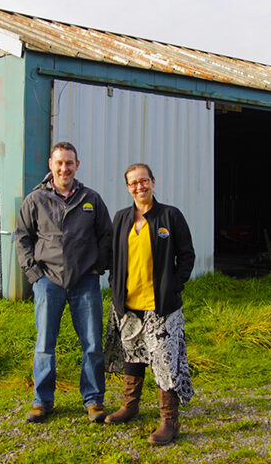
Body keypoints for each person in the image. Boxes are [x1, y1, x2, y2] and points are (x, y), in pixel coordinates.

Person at [16, 142, 112, 424]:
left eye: (69, 163)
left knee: (92, 343)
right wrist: (34, 275)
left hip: (85, 281)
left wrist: (99, 267)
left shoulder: (90, 198)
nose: (64, 168)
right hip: (49, 281)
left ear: (77, 165)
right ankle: (42, 401)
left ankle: (93, 400)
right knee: (45, 343)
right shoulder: (35, 200)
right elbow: (22, 238)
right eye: (59, 163)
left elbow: (106, 234)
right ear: (50, 164)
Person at [104, 163, 195, 445]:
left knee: (165, 362)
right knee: (132, 356)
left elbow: (187, 255)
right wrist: (115, 286)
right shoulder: (120, 218)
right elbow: (111, 256)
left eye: (144, 181)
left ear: (153, 182)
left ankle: (169, 421)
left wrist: (173, 286)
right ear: (127, 187)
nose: (139, 187)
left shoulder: (170, 215)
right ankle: (130, 407)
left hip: (161, 307)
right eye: (133, 183)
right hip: (129, 305)